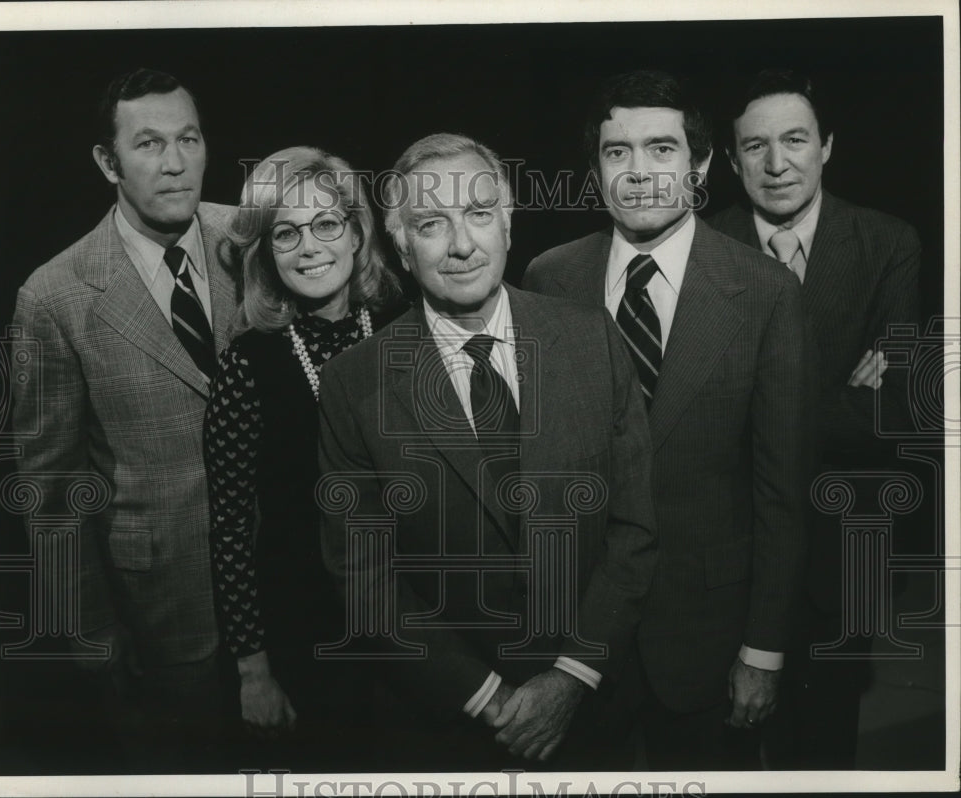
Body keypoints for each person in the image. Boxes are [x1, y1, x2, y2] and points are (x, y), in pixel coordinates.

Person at [316, 133, 658, 771]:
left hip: (593, 713)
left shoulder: (591, 340)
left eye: (478, 214)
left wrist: (571, 676)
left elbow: (633, 530)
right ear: (401, 244)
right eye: (431, 224)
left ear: (506, 220)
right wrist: (484, 694)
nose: (462, 245)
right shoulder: (353, 383)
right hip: (446, 730)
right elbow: (365, 578)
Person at [523, 69, 812, 770]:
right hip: (580, 644)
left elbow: (785, 492)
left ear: (702, 163)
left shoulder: (766, 292)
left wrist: (763, 651)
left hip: (709, 643)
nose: (641, 172)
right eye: (617, 152)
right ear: (595, 170)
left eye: (662, 149)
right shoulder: (548, 279)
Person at [9, 67, 237, 771]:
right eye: (148, 144)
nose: (174, 163)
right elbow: (51, 493)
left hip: (285, 584)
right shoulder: (55, 295)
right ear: (108, 162)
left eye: (188, 139)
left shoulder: (256, 238)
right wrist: (93, 638)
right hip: (162, 608)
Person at [707, 68, 923, 768]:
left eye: (795, 140)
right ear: (733, 159)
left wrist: (747, 406)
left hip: (842, 549)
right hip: (729, 551)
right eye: (756, 147)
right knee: (727, 754)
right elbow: (689, 415)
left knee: (823, 755)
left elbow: (894, 412)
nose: (777, 165)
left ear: (827, 146)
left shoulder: (890, 244)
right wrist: (838, 396)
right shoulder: (701, 250)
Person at [203, 146, 402, 770]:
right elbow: (231, 525)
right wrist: (253, 671)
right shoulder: (248, 362)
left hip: (415, 617)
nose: (309, 247)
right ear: (265, 251)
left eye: (325, 224)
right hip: (304, 627)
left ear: (356, 232)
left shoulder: (405, 327)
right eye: (286, 232)